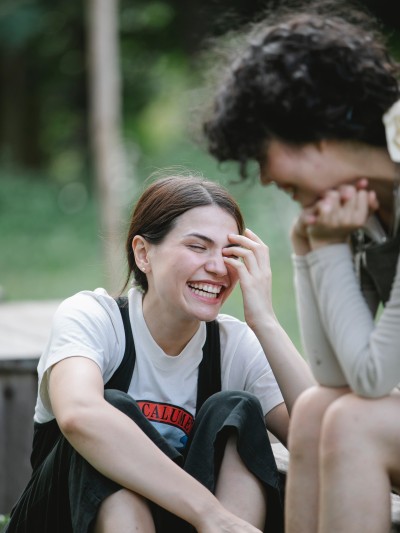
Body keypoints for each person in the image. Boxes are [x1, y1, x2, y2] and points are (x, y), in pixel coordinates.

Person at [5, 173, 312, 533]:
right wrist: (209, 514)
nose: (217, 267)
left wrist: (265, 320)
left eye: (228, 252)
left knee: (238, 409)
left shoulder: (234, 345)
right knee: (109, 412)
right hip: (61, 521)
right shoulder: (93, 318)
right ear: (143, 253)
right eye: (197, 247)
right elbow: (78, 415)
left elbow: (321, 437)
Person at [203, 4, 400, 532]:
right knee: (315, 411)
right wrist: (308, 245)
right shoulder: (364, 211)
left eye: (263, 152)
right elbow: (335, 374)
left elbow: (373, 380)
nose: (264, 176)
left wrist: (327, 249)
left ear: (314, 133)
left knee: (353, 421)